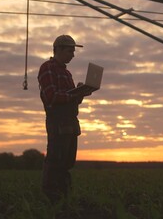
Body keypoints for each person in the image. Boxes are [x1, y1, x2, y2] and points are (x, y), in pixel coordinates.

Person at [38, 35, 91, 203]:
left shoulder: (66, 73)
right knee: (55, 162)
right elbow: (51, 97)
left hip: (70, 123)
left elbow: (70, 99)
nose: (73, 55)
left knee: (67, 163)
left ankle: (64, 199)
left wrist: (80, 92)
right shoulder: (47, 68)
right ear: (58, 49)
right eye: (70, 51)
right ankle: (52, 201)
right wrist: (74, 94)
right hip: (57, 122)